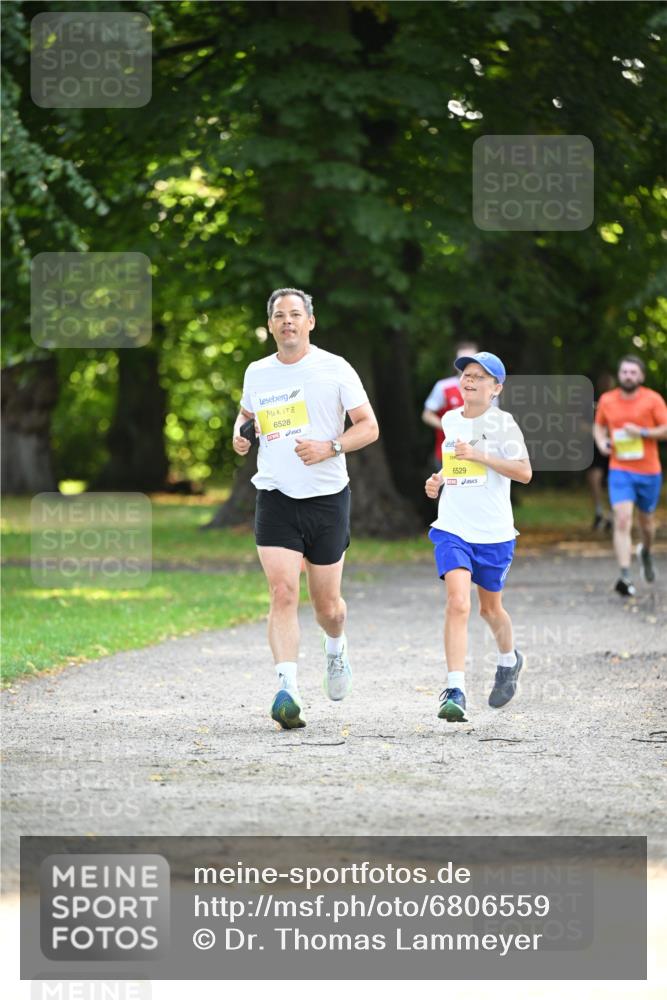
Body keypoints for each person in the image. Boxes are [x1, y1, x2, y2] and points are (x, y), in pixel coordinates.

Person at [232, 288, 379, 729]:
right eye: (280, 315)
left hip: (327, 498)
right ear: (271, 324)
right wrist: (239, 435)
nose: (288, 322)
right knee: (282, 592)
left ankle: (335, 649)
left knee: (327, 606)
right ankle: (287, 690)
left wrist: (330, 446)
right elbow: (245, 417)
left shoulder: (335, 368)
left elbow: (368, 427)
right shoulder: (257, 372)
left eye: (296, 314)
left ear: (310, 322)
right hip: (275, 495)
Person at [424, 351, 532, 722]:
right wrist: (439, 479)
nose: (469, 380)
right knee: (458, 603)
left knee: (490, 609)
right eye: (466, 374)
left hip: (494, 532)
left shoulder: (505, 424)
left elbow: (523, 472)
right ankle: (455, 688)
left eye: (480, 377)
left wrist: (482, 455)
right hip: (453, 527)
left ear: (496, 388)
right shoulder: (450, 419)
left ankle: (509, 659)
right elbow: (456, 463)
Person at [593, 355, 667, 597]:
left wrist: (642, 432)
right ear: (619, 374)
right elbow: (599, 425)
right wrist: (601, 440)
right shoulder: (607, 400)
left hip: (649, 471)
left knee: (646, 524)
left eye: (633, 372)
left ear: (641, 377)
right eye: (625, 372)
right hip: (620, 469)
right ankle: (625, 575)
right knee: (623, 519)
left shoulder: (652, 399)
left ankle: (645, 550)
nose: (628, 376)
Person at [422, 342, 479, 469]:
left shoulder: (487, 388)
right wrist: (449, 427)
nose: (466, 365)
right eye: (462, 360)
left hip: (479, 454)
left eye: (471, 360)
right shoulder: (443, 387)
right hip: (448, 454)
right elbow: (427, 415)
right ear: (456, 362)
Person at [587, 372, 615, 532]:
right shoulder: (592, 403)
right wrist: (597, 434)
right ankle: (599, 511)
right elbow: (579, 423)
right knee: (594, 477)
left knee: (614, 479)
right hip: (595, 447)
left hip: (617, 447)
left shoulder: (620, 402)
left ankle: (612, 514)